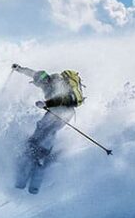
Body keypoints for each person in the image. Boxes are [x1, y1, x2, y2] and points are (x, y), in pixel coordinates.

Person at [11, 63, 83, 193]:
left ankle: (38, 153)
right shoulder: (45, 80)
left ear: (44, 79)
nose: (39, 85)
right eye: (38, 83)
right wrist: (19, 69)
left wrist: (46, 103)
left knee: (46, 129)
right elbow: (32, 72)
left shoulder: (56, 82)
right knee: (46, 129)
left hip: (63, 111)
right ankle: (37, 153)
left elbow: (62, 99)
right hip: (59, 111)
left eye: (39, 83)